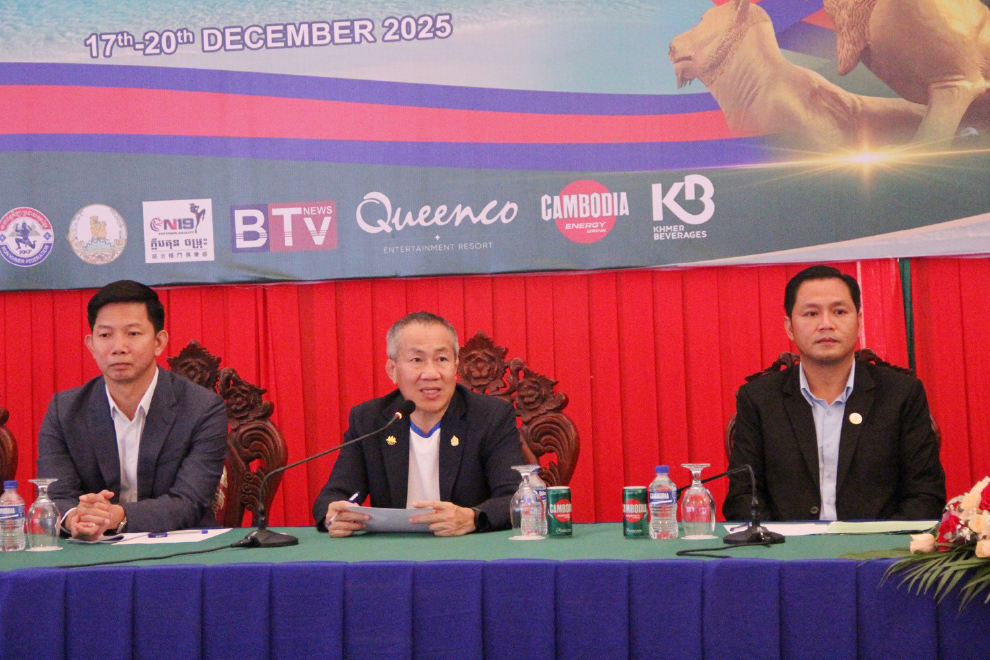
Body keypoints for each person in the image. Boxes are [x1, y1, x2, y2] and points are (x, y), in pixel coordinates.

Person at [723, 265, 946, 521]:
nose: (826, 324)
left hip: (877, 555)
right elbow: (743, 497)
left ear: (859, 321)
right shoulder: (759, 398)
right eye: (811, 313)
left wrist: (879, 550)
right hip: (789, 555)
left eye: (839, 311)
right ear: (789, 327)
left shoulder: (901, 394)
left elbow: (925, 495)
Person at [37, 280, 228, 540]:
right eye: (105, 335)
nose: (118, 347)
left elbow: (189, 501)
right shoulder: (65, 410)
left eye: (133, 334)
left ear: (159, 342)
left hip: (179, 549)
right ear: (91, 344)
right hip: (92, 550)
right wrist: (75, 518)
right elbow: (56, 495)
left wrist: (118, 515)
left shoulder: (202, 409)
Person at [313, 312, 524, 536]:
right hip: (394, 553)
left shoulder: (490, 416)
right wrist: (334, 515)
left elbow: (515, 497)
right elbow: (333, 497)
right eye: (417, 360)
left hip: (467, 549)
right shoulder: (370, 420)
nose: (431, 374)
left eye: (441, 359)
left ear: (455, 367)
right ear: (392, 370)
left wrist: (472, 517)